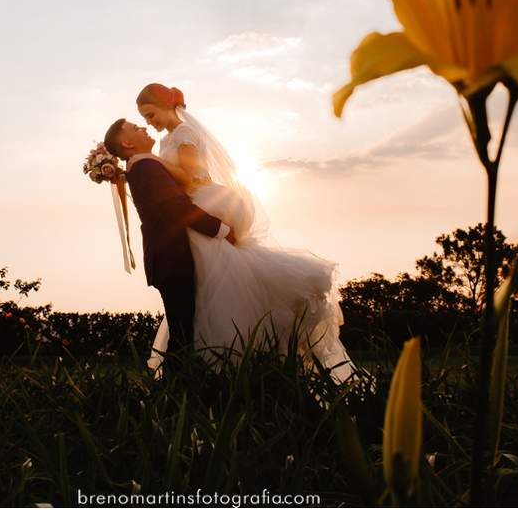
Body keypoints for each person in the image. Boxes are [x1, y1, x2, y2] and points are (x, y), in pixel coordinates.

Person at [129, 83, 354, 382]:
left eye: (150, 114)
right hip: (189, 203)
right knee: (204, 280)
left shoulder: (184, 134)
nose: (149, 122)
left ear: (167, 106)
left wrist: (153, 162)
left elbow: (185, 175)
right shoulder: (166, 140)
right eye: (144, 118)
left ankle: (231, 355)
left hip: (202, 199)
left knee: (216, 272)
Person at [103, 118, 235, 360]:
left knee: (185, 332)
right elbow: (177, 206)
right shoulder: (145, 168)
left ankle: (180, 388)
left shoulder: (140, 165)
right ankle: (176, 390)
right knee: (183, 336)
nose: (143, 127)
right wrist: (221, 229)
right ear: (127, 143)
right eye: (135, 128)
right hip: (171, 259)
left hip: (167, 259)